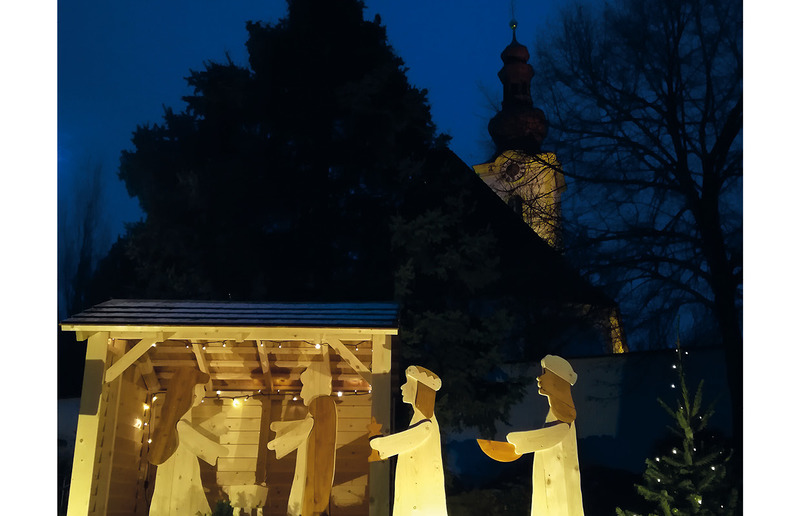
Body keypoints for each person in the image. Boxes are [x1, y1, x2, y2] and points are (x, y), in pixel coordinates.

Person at [505, 355, 584, 516]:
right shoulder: (554, 413)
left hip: (558, 485)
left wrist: (517, 444)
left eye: (544, 373)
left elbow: (553, 435)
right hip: (548, 479)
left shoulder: (565, 415)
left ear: (557, 379)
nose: (539, 378)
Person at [148, 367, 228, 516]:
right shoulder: (180, 425)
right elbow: (199, 444)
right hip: (180, 477)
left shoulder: (178, 424)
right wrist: (221, 451)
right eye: (201, 389)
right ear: (192, 393)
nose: (202, 395)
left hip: (185, 472)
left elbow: (194, 436)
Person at [369, 366, 448, 516]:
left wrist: (380, 445)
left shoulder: (426, 422)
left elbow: (410, 439)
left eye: (408, 384)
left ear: (419, 390)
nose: (402, 387)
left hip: (421, 496)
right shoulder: (418, 418)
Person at [268, 349, 338, 516]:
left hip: (314, 480)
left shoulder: (322, 405)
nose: (301, 393)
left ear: (315, 384)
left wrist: (280, 442)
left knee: (304, 502)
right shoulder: (318, 408)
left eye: (304, 386)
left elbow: (305, 428)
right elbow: (306, 426)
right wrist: (281, 428)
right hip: (308, 473)